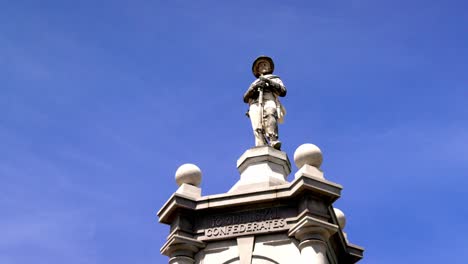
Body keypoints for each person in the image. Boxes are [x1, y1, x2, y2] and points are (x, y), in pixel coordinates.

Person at [243, 56, 287, 150]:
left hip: (269, 99)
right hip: (255, 103)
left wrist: (268, 82)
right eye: (260, 65)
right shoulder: (255, 82)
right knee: (257, 125)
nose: (263, 66)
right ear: (257, 70)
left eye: (265, 64)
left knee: (271, 113)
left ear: (269, 67)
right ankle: (260, 143)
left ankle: (273, 139)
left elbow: (283, 91)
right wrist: (254, 88)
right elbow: (245, 98)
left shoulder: (274, 78)